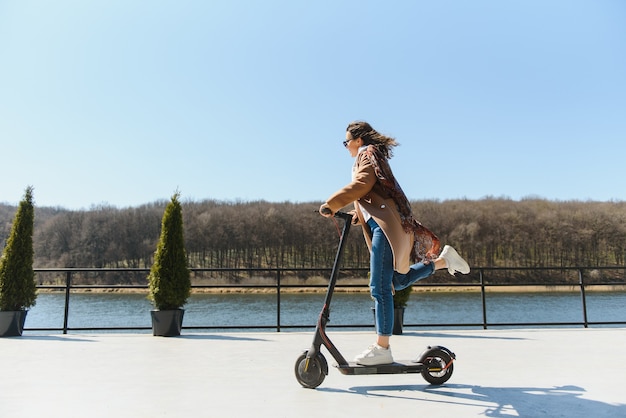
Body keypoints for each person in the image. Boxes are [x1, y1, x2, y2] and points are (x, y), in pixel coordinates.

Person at [319, 121, 470, 366]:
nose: (345, 146)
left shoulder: (366, 154)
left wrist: (332, 203)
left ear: (359, 140)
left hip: (386, 229)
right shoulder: (370, 156)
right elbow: (373, 198)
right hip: (388, 226)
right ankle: (443, 261)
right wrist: (355, 216)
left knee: (379, 288)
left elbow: (361, 186)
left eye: (347, 141)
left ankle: (382, 348)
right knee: (396, 282)